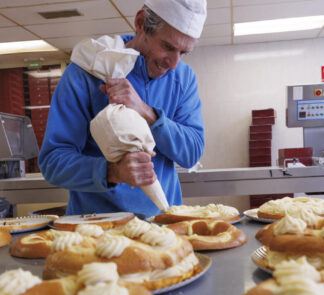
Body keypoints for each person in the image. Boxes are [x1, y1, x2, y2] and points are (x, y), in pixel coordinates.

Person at [39, 0, 207, 217]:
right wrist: (112, 172)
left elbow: (191, 152)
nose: (174, 64)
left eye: (184, 53)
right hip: (96, 228)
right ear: (141, 23)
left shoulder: (183, 79)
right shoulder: (86, 72)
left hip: (164, 224)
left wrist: (146, 112)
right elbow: (53, 162)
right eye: (168, 47)